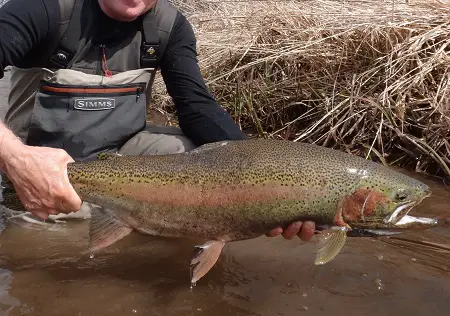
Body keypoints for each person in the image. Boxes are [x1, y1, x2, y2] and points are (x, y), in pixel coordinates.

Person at [0, 0, 315, 241]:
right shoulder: (41, 9)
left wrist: (264, 185)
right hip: (44, 166)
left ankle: (148, 222)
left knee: (193, 153)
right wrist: (16, 158)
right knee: (42, 245)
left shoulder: (168, 26)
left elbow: (197, 108)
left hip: (122, 159)